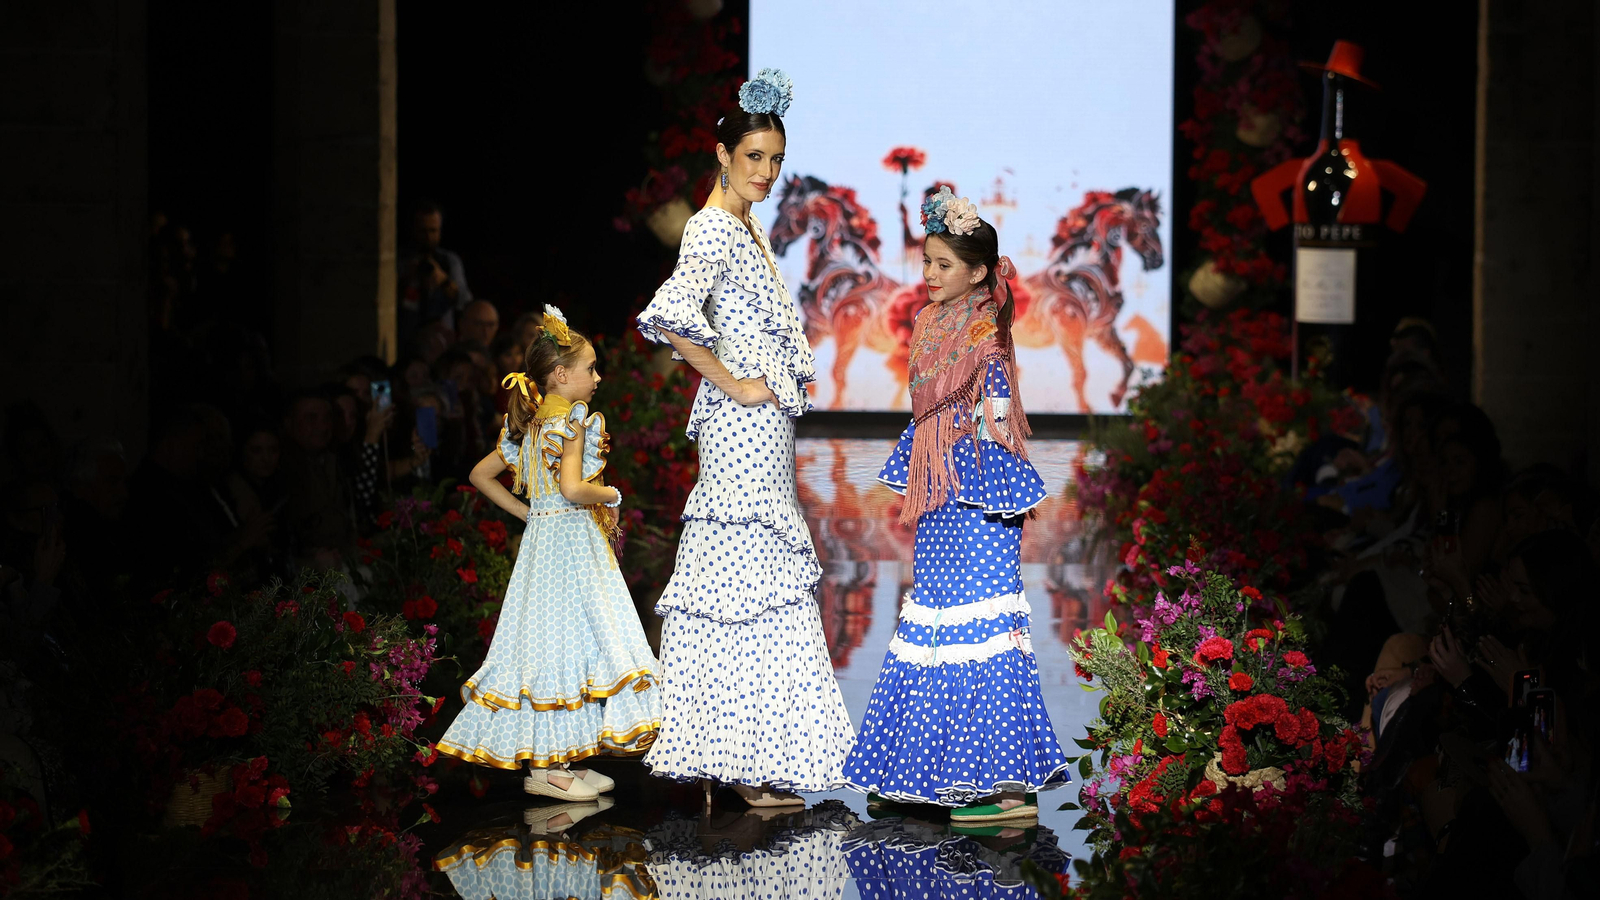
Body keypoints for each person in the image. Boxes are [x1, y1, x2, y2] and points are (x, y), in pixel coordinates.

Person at [635, 68, 854, 808]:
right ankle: (736, 761)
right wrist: (732, 382)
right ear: (723, 154)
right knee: (740, 582)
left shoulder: (744, 225)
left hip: (761, 432)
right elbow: (669, 314)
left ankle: (741, 757)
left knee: (753, 585)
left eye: (775, 161)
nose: (765, 172)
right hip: (739, 427)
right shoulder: (709, 226)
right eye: (754, 158)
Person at [840, 188, 1069, 824]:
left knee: (984, 628)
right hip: (938, 480)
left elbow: (1000, 411)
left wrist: (1002, 470)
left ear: (976, 271)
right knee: (936, 621)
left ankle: (1005, 789)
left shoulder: (984, 329)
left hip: (978, 485)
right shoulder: (929, 321)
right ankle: (917, 772)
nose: (930, 275)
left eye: (943, 264)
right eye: (927, 262)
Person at [436, 305, 660, 801]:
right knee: (571, 640)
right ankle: (553, 766)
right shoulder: (573, 424)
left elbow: (479, 475)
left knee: (551, 642)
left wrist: (528, 515)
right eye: (591, 368)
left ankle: (555, 761)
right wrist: (613, 495)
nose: (597, 377)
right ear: (561, 375)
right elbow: (575, 488)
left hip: (544, 545)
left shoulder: (531, 425)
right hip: (571, 548)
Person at [398, 200, 472, 347]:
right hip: (406, 339)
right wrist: (406, 278)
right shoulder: (400, 260)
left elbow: (464, 302)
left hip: (441, 342)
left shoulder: (449, 261)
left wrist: (443, 280)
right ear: (413, 229)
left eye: (433, 231)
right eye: (423, 231)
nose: (428, 237)